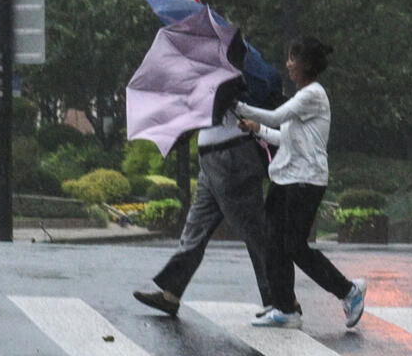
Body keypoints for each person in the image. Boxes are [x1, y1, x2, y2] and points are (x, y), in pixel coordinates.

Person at [234, 36, 366, 330]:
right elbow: (286, 138)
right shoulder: (302, 98)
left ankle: (349, 291)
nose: (288, 64)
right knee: (272, 242)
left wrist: (240, 107)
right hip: (287, 177)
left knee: (294, 245)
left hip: (306, 181)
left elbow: (277, 116)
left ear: (307, 64)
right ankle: (285, 309)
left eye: (293, 58)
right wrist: (257, 130)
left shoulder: (313, 95)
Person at [132, 107, 274, 318]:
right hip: (210, 159)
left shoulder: (232, 78)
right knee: (195, 227)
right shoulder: (209, 79)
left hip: (232, 156)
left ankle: (281, 299)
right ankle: (171, 294)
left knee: (254, 231)